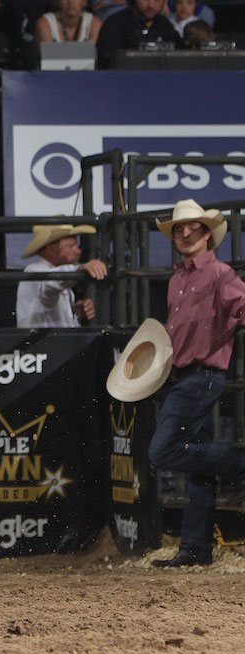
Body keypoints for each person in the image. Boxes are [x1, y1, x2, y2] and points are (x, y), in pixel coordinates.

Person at [148, 199, 245, 567]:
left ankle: (238, 463)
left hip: (201, 377)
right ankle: (195, 548)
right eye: (179, 229)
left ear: (207, 234)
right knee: (198, 465)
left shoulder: (220, 274)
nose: (185, 233)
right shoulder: (179, 279)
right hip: (186, 376)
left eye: (192, 228)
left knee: (162, 451)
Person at [16, 224, 108, 328]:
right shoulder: (34, 271)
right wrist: (79, 268)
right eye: (71, 246)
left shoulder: (55, 273)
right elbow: (51, 284)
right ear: (51, 249)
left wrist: (76, 312)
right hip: (45, 343)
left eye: (76, 246)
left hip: (52, 342)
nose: (78, 251)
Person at [96, 0, 183, 69]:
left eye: (157, 0)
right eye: (146, 0)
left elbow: (183, 54)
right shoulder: (116, 23)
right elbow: (105, 61)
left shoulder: (165, 25)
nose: (151, 5)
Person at [36, 0, 103, 42]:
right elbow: (48, 58)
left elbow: (92, 58)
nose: (70, 1)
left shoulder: (95, 24)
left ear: (84, 1)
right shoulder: (45, 23)